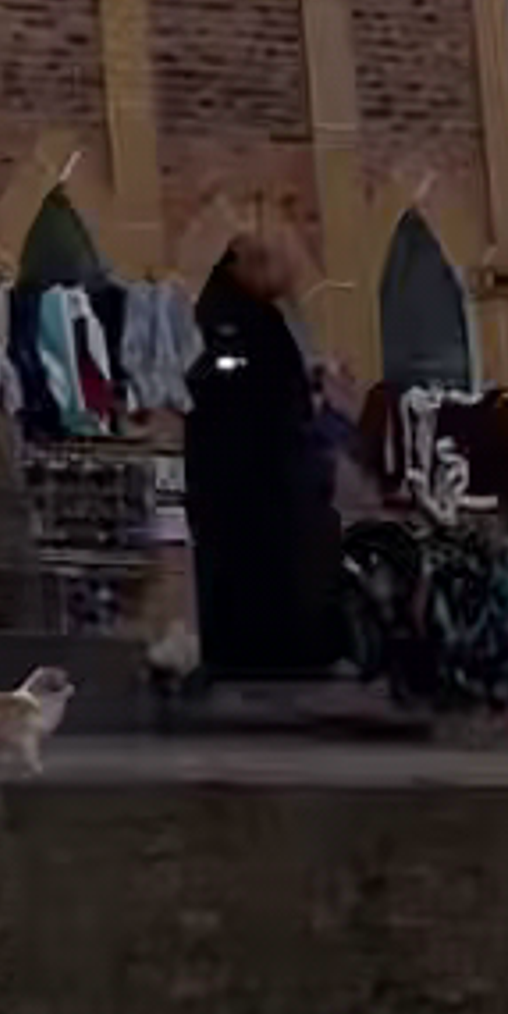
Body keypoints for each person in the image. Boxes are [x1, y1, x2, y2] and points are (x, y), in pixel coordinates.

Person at [184, 233, 343, 687]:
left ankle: (302, 653)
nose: (281, 275)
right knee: (245, 576)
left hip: (284, 481)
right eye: (265, 263)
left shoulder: (273, 320)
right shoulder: (220, 317)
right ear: (240, 266)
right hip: (237, 484)